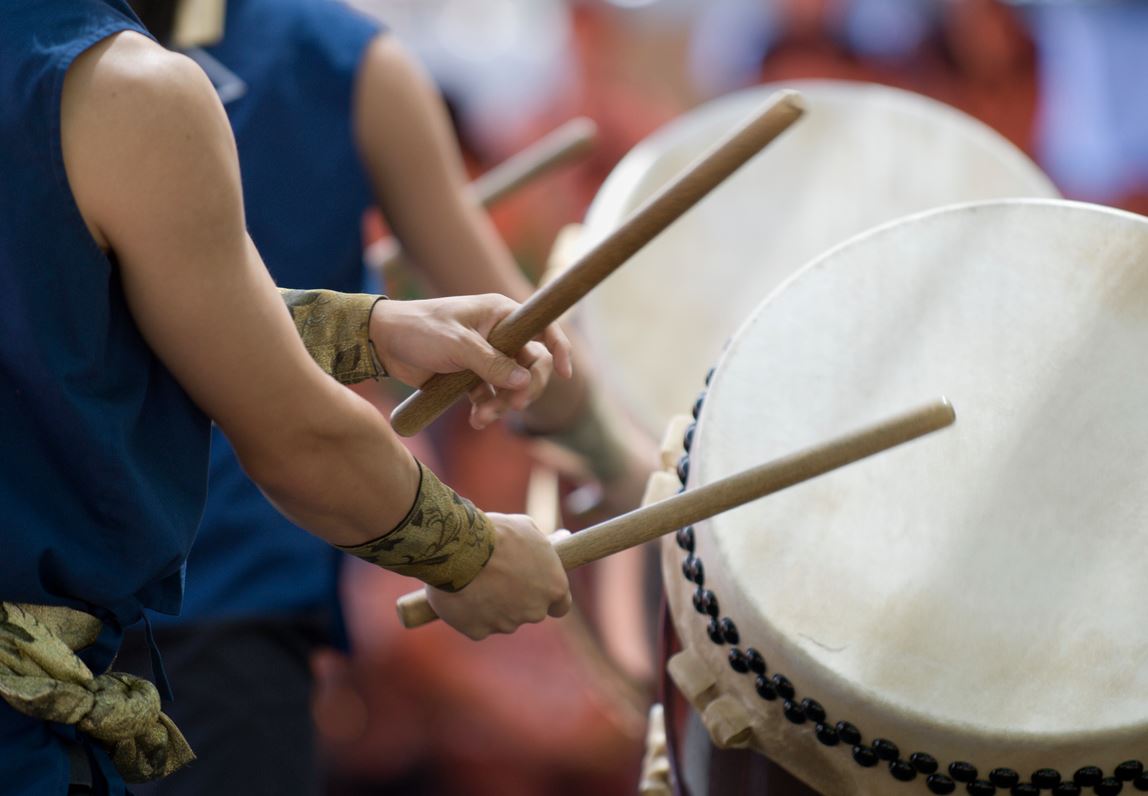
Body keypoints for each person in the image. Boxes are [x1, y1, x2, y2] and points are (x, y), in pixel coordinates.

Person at [0, 1, 575, 793]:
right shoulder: (127, 89)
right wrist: (471, 555)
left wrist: (373, 327)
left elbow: (80, 304)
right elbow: (299, 438)